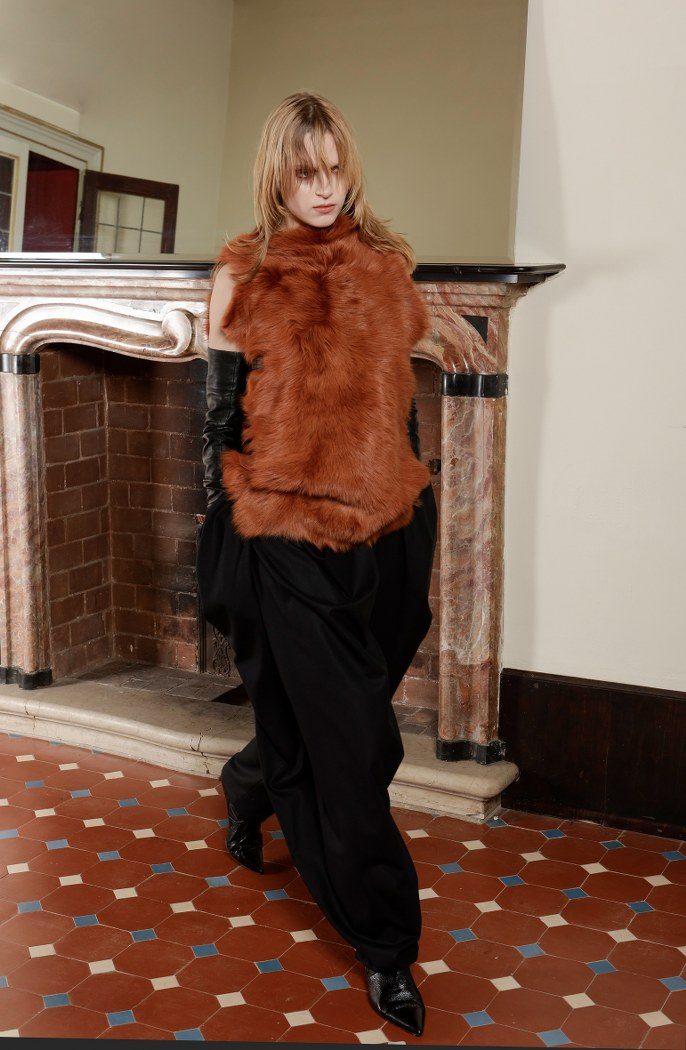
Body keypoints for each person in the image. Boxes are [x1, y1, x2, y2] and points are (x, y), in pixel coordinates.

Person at [196, 92, 437, 1038]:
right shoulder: (243, 271)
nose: (325, 187)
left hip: (388, 530)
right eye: (306, 171)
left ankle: (251, 783)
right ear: (278, 173)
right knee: (352, 747)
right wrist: (230, 516)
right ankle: (388, 949)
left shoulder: (387, 266)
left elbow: (398, 406)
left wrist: (413, 494)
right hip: (287, 531)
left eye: (335, 167)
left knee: (354, 724)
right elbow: (218, 415)